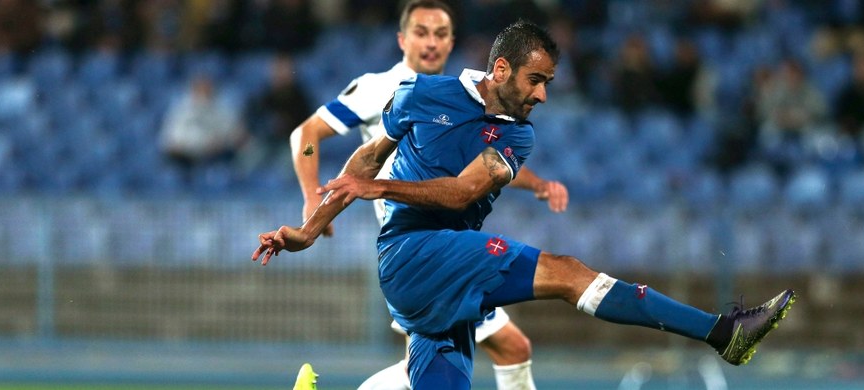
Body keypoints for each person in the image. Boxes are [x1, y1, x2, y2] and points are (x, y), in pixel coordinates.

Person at [256, 21, 795, 389]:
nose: (542, 95)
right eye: (536, 80)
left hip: (443, 274)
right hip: (412, 253)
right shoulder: (419, 95)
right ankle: (722, 334)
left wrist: (380, 189)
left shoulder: (518, 138)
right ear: (500, 71)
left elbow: (464, 191)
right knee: (565, 272)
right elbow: (365, 162)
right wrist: (307, 231)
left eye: (549, 83)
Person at [288, 2, 566, 389]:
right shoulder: (377, 88)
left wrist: (536, 184)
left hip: (443, 239)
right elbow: (305, 136)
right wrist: (309, 197)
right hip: (411, 244)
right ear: (402, 39)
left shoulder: (459, 96)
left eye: (440, 34)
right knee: (500, 348)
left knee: (466, 357)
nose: (431, 42)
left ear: (452, 42)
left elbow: (481, 171)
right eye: (421, 32)